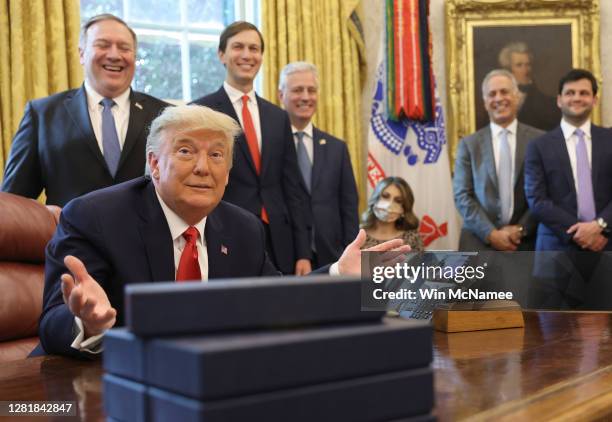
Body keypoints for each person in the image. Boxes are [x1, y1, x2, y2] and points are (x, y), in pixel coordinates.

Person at [39, 105, 410, 359]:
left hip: (208, 384)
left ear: (229, 171)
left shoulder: (242, 227)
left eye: (217, 155)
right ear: (153, 163)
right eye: (186, 151)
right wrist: (85, 323)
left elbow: (273, 297)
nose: (204, 168)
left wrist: (336, 275)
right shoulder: (95, 216)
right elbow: (53, 322)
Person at [1, 14, 168, 206]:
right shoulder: (42, 114)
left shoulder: (164, 115)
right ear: (82, 54)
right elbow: (13, 202)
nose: (114, 55)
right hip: (71, 234)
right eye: (103, 45)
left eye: (124, 48)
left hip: (147, 235)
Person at [191, 22, 310, 275]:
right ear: (221, 54)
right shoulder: (201, 112)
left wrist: (302, 252)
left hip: (280, 238)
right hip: (225, 233)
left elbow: (293, 188)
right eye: (238, 47)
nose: (247, 55)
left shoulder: (278, 117)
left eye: (254, 48)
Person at [277, 61, 359, 267]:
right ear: (281, 95)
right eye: (297, 90)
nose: (305, 97)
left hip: (332, 255)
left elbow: (348, 207)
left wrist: (349, 252)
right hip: (286, 258)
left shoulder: (336, 148)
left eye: (311, 90)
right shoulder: (272, 146)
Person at [454, 69, 544, 251]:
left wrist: (521, 229)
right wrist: (491, 234)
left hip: (527, 243)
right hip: (478, 242)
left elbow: (545, 191)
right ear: (485, 102)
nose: (498, 98)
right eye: (492, 94)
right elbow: (462, 196)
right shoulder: (469, 145)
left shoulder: (540, 141)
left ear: (517, 97)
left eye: (504, 92)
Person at [525, 68, 612, 251]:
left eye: (584, 93)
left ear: (594, 100)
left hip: (605, 243)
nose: (577, 98)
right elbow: (537, 200)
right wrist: (582, 233)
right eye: (570, 93)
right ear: (559, 100)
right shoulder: (538, 146)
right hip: (556, 248)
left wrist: (599, 226)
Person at [498, 41, 560, 131]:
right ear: (508, 69)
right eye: (519, 65)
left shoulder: (547, 103)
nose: (526, 70)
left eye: (528, 65)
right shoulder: (498, 99)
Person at [361, 177, 423, 251]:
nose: (389, 205)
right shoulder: (358, 235)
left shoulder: (412, 238)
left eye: (398, 201)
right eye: (385, 196)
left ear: (404, 209)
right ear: (375, 198)